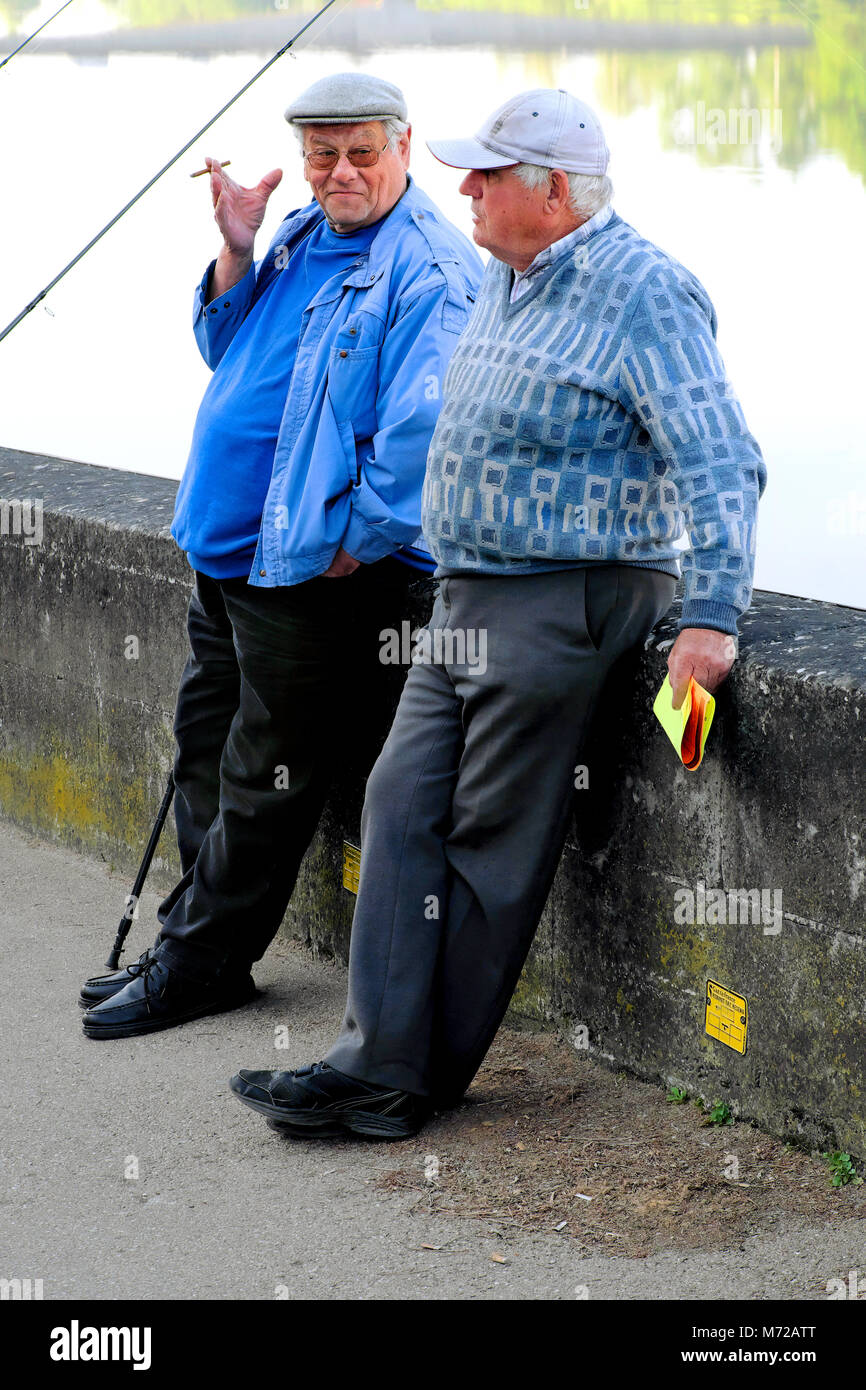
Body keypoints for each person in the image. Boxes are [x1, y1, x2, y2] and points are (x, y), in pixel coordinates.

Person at [229, 87, 767, 1138]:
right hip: (467, 592)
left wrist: (709, 612)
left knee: (489, 838)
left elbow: (717, 459)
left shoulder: (644, 291)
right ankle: (370, 1057)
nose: (463, 188)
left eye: (487, 174)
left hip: (564, 593)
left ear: (553, 191)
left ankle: (409, 1081)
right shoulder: (504, 272)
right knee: (399, 800)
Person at [79, 72, 483, 1039]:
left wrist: (353, 546)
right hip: (227, 553)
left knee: (268, 776)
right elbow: (224, 346)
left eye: (360, 152)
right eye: (321, 152)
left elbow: (425, 438)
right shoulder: (302, 232)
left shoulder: (430, 269)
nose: (339, 172)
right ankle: (192, 935)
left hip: (307, 570)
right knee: (203, 750)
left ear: (403, 145)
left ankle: (206, 961)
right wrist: (237, 246)